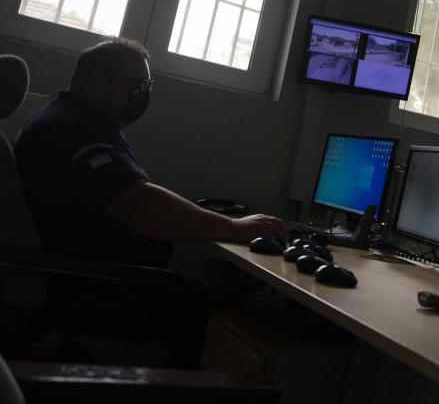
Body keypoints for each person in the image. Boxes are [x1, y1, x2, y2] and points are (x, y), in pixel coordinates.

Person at [14, 38, 288, 365]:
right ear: (99, 84)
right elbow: (136, 202)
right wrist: (232, 227)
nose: (144, 94)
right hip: (92, 290)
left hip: (97, 280)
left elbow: (128, 192)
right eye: (137, 85)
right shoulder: (74, 127)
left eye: (148, 85)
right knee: (216, 313)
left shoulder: (70, 117)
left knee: (206, 294)